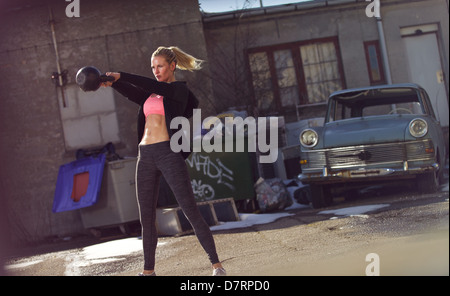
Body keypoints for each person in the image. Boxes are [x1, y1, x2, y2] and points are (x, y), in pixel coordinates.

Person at [102, 46, 226, 276]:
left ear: (172, 66)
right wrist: (114, 82)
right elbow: (133, 92)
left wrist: (122, 74)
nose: (156, 71)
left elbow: (153, 86)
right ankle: (148, 271)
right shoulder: (150, 96)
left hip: (168, 153)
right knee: (146, 217)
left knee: (190, 210)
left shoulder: (179, 91)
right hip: (145, 156)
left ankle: (216, 265)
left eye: (160, 66)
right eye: (153, 67)